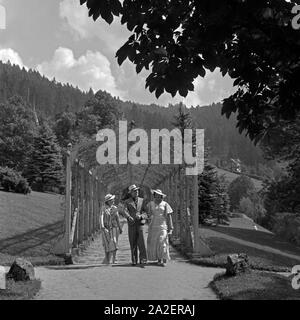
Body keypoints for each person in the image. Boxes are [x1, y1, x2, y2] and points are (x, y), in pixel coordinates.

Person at [119, 184, 148, 266]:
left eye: (137, 190)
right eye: (134, 191)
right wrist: (128, 217)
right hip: (131, 224)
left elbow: (146, 212)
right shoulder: (127, 202)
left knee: (142, 242)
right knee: (133, 242)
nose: (136, 192)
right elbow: (124, 211)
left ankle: (143, 259)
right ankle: (134, 260)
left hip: (140, 224)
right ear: (131, 193)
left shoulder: (142, 201)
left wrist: (141, 216)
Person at [146, 189, 174, 267]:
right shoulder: (150, 204)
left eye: (159, 196)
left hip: (163, 226)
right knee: (156, 243)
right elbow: (147, 215)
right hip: (153, 226)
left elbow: (169, 216)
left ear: (162, 196)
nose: (158, 197)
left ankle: (164, 260)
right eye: (156, 196)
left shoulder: (165, 204)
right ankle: (159, 259)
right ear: (154, 196)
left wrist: (171, 228)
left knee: (163, 242)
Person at [100, 194, 123, 264]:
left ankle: (114, 259)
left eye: (113, 200)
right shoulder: (104, 208)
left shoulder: (115, 208)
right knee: (107, 244)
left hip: (114, 228)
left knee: (114, 242)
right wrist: (102, 225)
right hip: (106, 229)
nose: (113, 201)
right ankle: (107, 259)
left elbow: (117, 218)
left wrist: (120, 227)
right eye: (111, 200)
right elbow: (101, 216)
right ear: (108, 201)